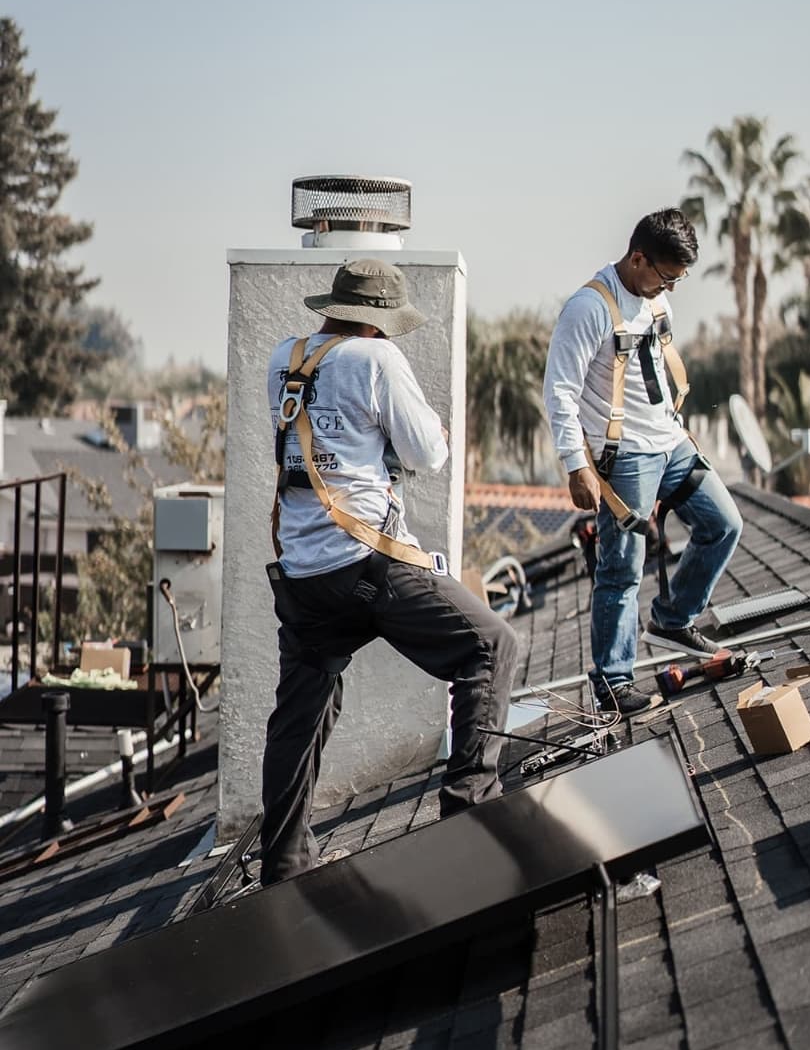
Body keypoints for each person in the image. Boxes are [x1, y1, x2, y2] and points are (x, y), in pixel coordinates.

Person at [260, 257, 518, 886]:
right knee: (490, 644)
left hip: (302, 574)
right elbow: (426, 451)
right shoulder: (375, 361)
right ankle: (469, 816)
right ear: (378, 323)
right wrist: (442, 433)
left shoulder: (283, 359)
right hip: (364, 566)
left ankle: (285, 862)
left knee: (303, 708)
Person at [543, 208, 742, 717]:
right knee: (621, 569)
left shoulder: (656, 302)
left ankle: (674, 618)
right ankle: (612, 683)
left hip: (671, 444)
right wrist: (576, 465)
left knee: (723, 524)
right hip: (625, 456)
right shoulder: (588, 309)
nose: (670, 289)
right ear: (638, 259)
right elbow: (560, 392)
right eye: (666, 277)